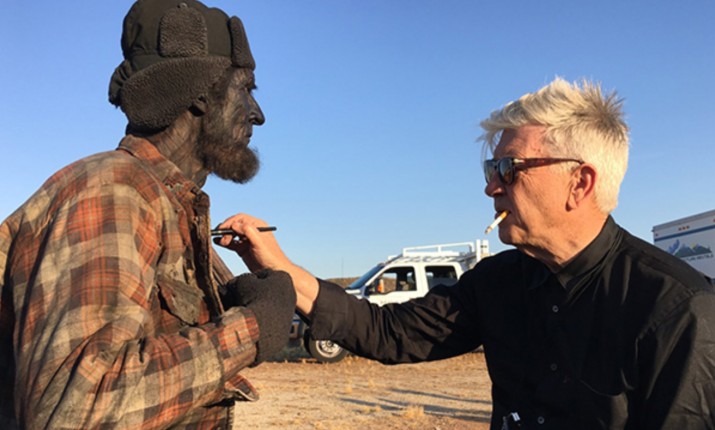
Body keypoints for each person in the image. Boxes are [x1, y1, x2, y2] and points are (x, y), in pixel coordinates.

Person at [216, 78, 715, 429]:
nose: (491, 188)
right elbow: (389, 333)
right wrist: (281, 269)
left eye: (508, 169)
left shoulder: (675, 308)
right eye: (490, 171)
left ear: (579, 182)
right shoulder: (498, 282)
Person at [0, 0, 297, 428]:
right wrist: (250, 328)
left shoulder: (167, 202)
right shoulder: (113, 190)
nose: (257, 113)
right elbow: (74, 408)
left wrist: (220, 308)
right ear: (200, 94)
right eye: (245, 88)